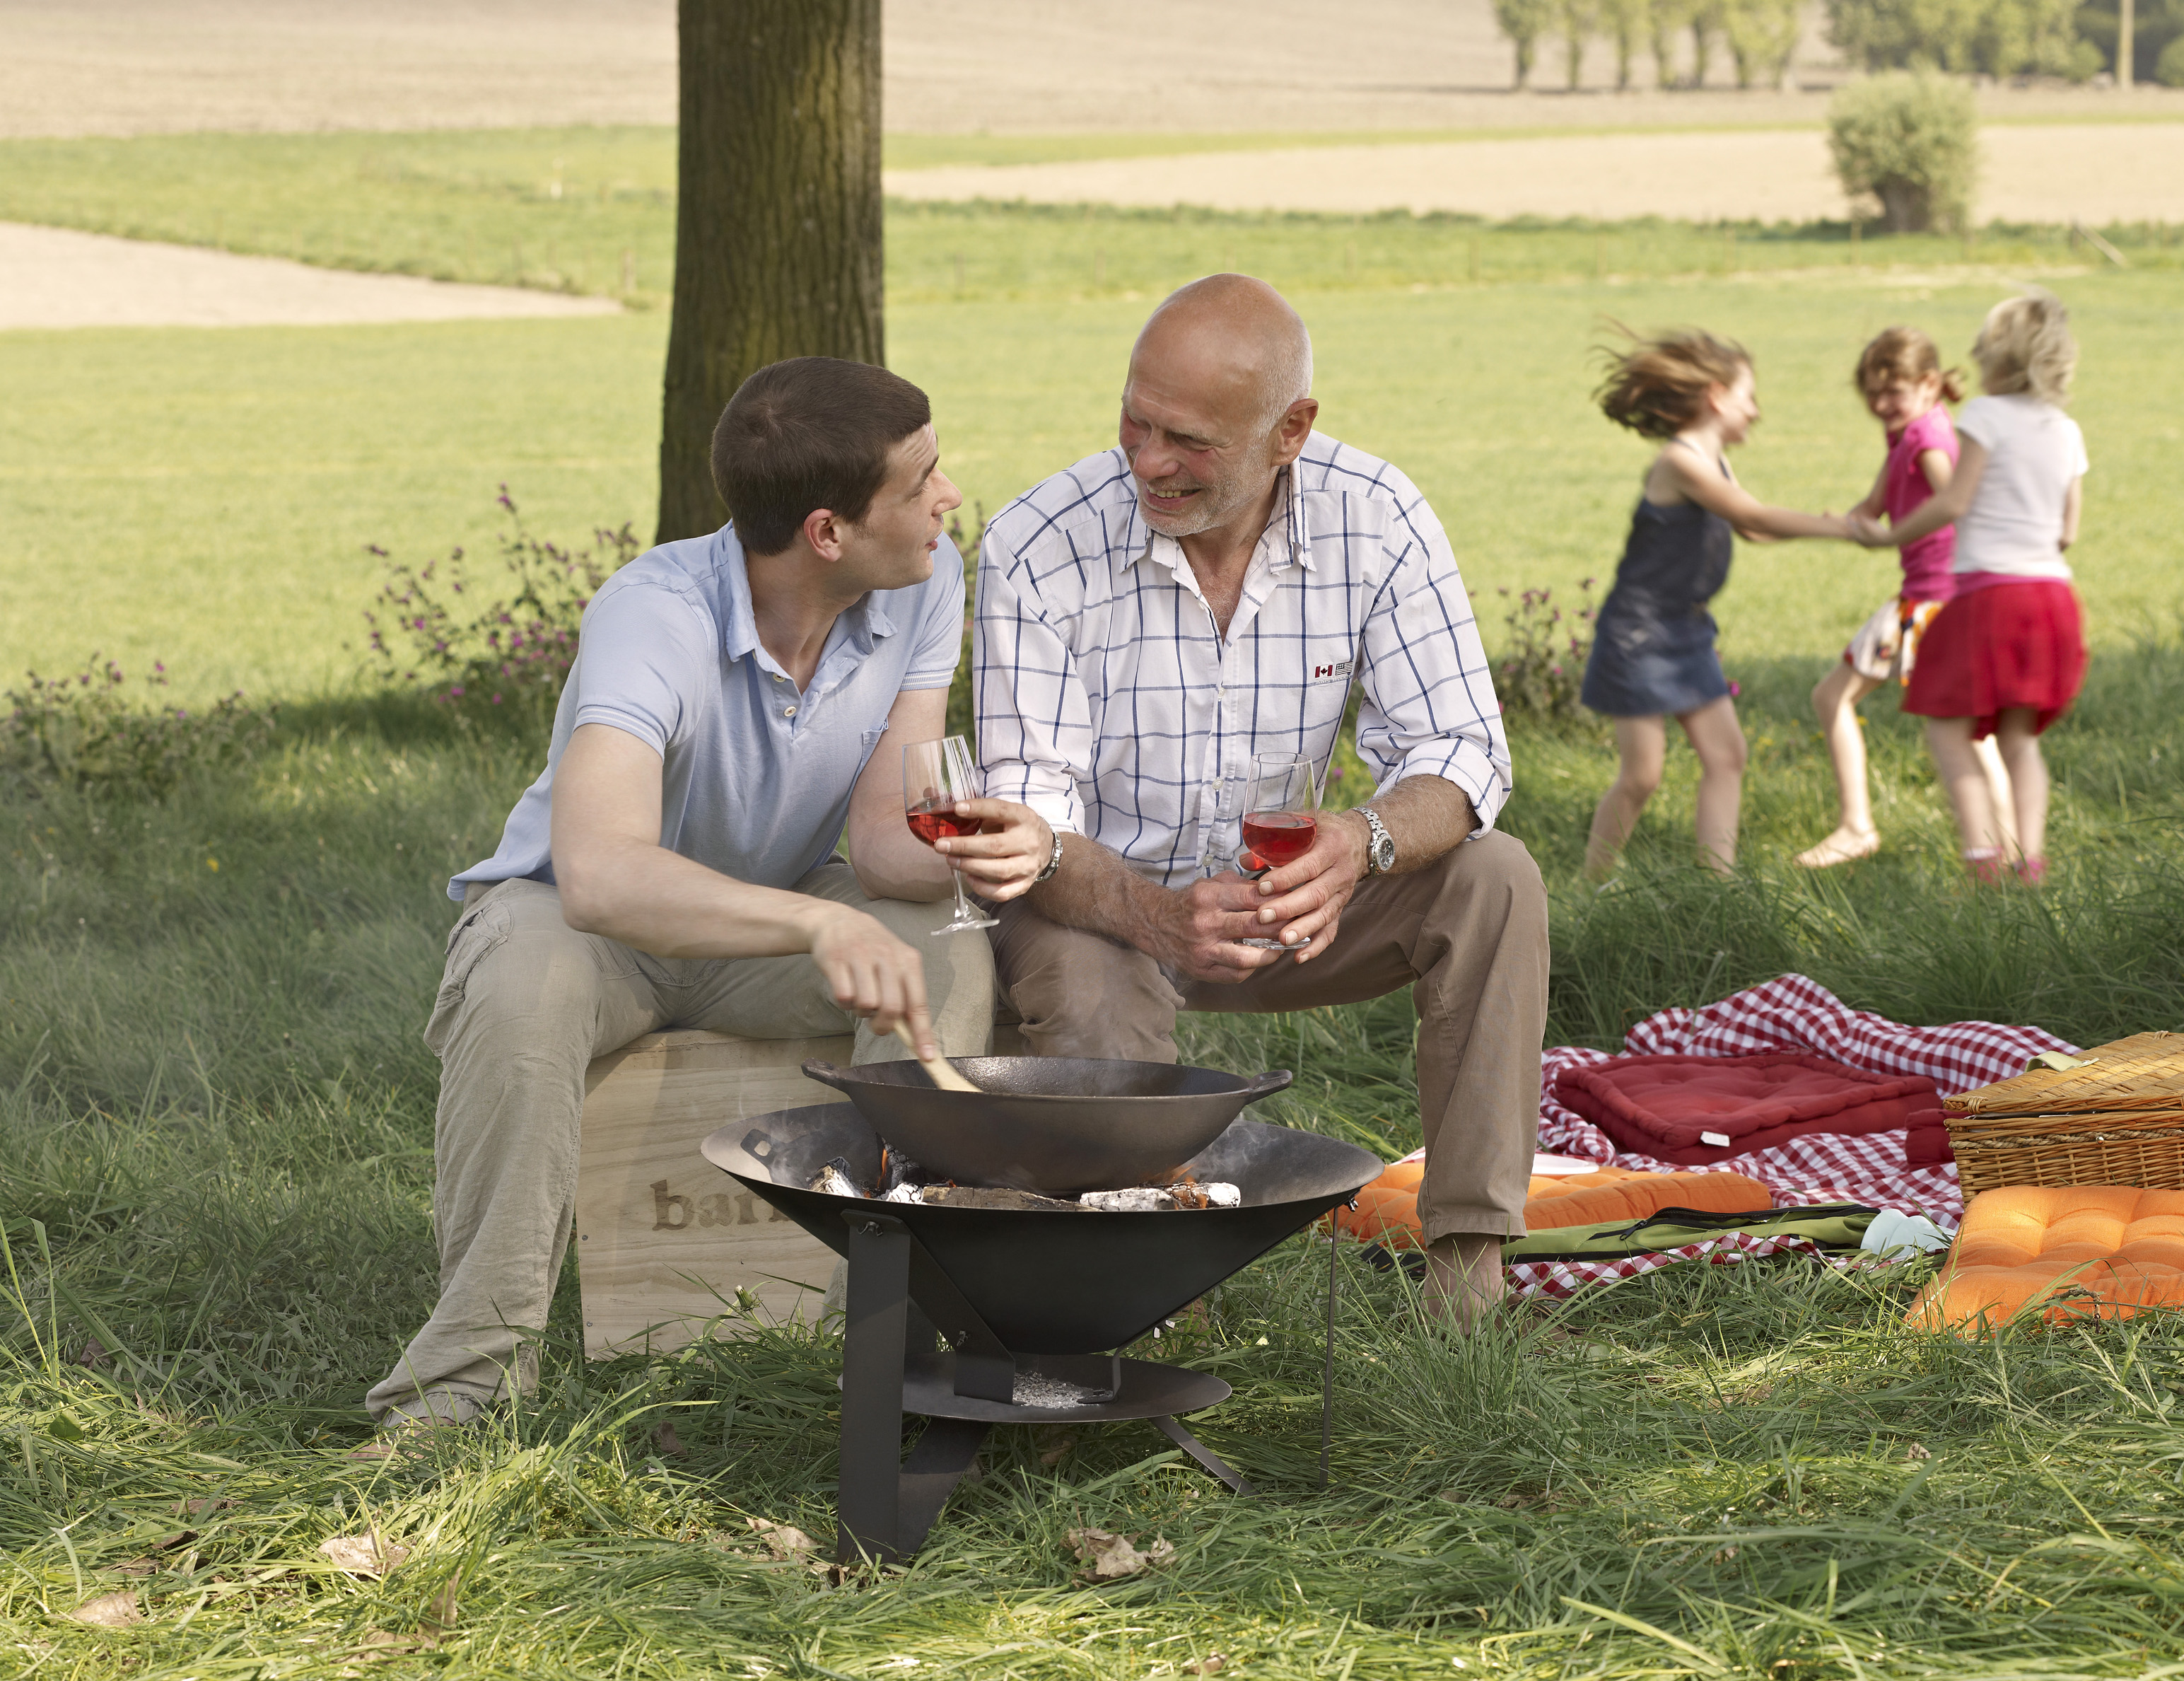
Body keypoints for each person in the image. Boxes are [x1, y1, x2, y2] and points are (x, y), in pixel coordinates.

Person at [363, 357, 1053, 1443]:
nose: (949, 497)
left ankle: (885, 1355)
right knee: (519, 982)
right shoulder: (655, 613)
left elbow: (882, 842)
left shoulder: (922, 579)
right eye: (922, 480)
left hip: (764, 920)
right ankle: (464, 1392)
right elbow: (599, 873)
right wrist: (819, 922)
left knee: (946, 946)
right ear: (827, 532)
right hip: (586, 928)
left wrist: (986, 851)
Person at [964, 274, 1546, 1330]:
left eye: (1186, 440)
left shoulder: (1378, 517)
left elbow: (1465, 749)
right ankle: (1129, 1301)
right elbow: (1033, 824)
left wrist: (1363, 839)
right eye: (1134, 421)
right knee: (1087, 971)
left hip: (1291, 907)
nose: (1146, 460)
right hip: (1105, 907)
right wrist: (1153, 914)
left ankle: (1468, 1271)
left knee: (1495, 875)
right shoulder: (1036, 543)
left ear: (1292, 431)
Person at [1577, 328, 1859, 881]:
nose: (1755, 412)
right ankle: (1589, 885)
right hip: (1639, 636)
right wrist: (1842, 529)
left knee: (1727, 755)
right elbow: (1751, 516)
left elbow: (1752, 528)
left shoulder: (1714, 458)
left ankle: (1716, 887)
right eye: (1748, 397)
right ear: (1715, 396)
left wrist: (1829, 525)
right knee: (1642, 776)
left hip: (1686, 631)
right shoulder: (1681, 461)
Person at [1859, 291, 2089, 887]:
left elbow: (1954, 501)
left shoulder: (1985, 416)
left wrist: (1889, 539)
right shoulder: (2066, 430)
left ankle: (1981, 858)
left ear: (2000, 360)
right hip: (2054, 598)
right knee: (2020, 738)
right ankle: (2030, 860)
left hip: (1991, 596)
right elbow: (2068, 531)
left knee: (1946, 726)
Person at [1799, 326, 2016, 871]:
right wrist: (1803, 526)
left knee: (1838, 699)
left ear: (1928, 384)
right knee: (1968, 730)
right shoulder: (1911, 434)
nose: (1879, 404)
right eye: (1871, 393)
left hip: (1932, 603)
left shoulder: (1928, 438)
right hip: (1927, 599)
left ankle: (1860, 827)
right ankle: (2010, 849)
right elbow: (1869, 509)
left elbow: (1954, 501)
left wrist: (1897, 536)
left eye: (1891, 391)